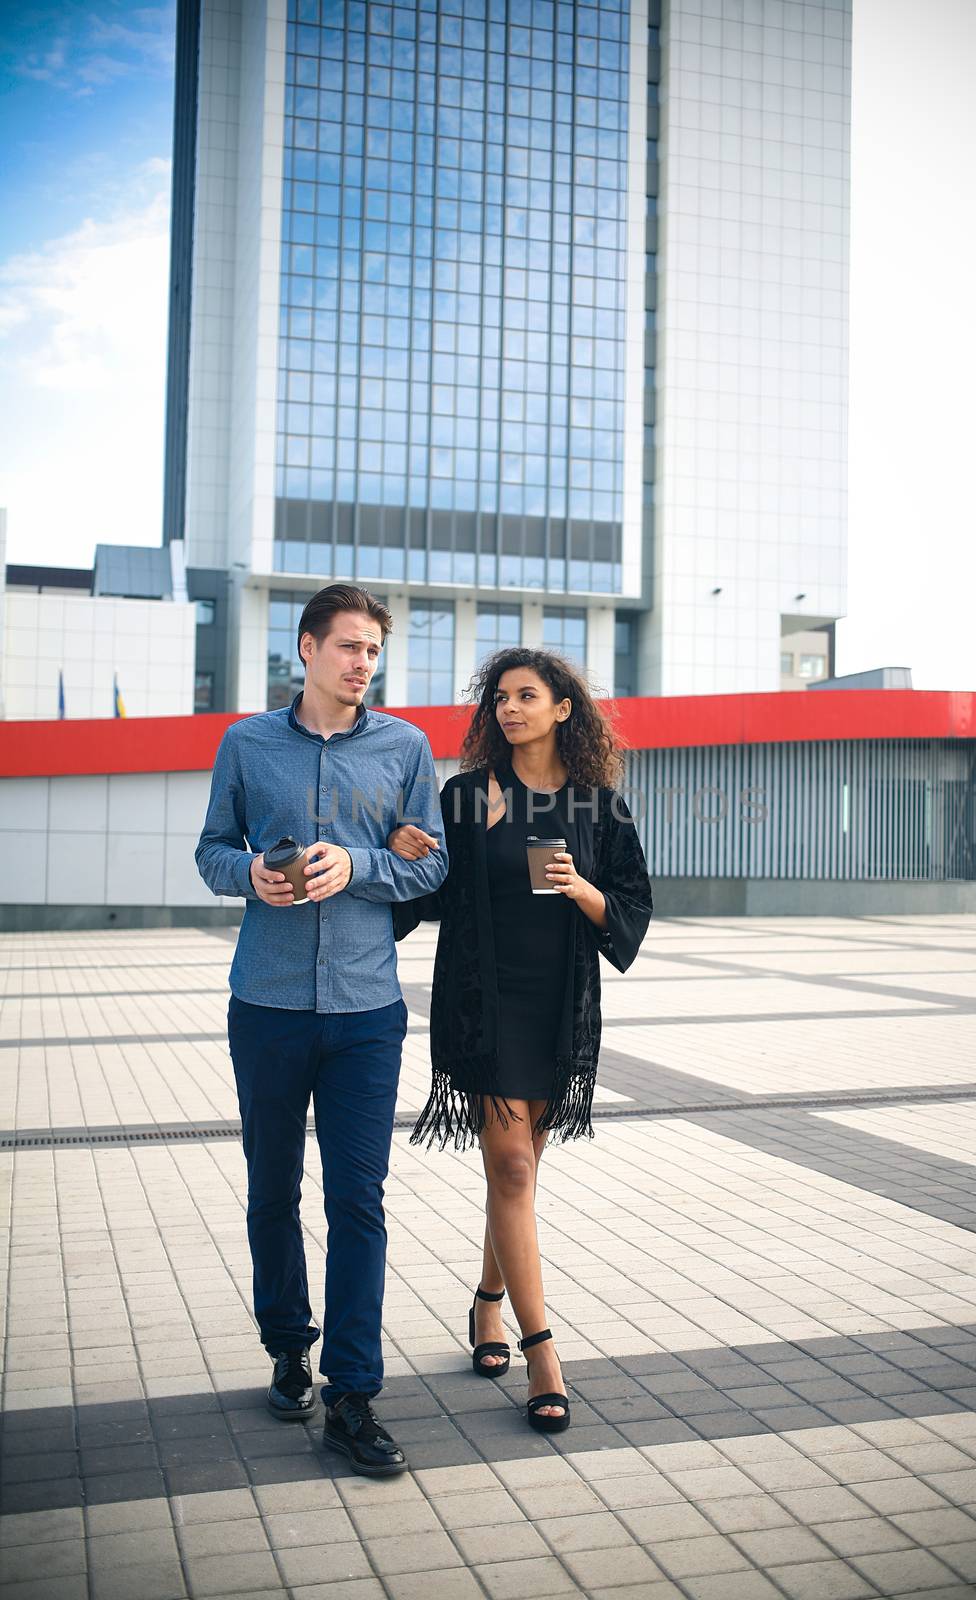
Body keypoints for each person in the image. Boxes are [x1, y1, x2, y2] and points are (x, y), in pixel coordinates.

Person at [195, 583, 447, 1476]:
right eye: (346, 646)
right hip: (265, 1004)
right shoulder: (246, 743)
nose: (361, 663)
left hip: (367, 1013)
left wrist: (365, 862)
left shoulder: (406, 747)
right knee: (272, 1189)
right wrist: (249, 874)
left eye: (372, 650)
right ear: (305, 649)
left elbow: (432, 862)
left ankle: (352, 1394)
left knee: (358, 1202)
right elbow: (210, 848)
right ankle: (286, 1345)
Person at [389, 648, 652, 1432]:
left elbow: (632, 908)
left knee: (518, 1177)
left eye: (525, 696)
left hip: (557, 1005)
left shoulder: (597, 806)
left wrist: (580, 889)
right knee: (508, 1165)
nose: (508, 708)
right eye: (499, 698)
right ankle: (543, 1354)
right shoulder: (467, 797)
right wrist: (411, 851)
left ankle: (486, 1304)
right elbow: (434, 894)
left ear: (562, 709)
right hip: (485, 1001)